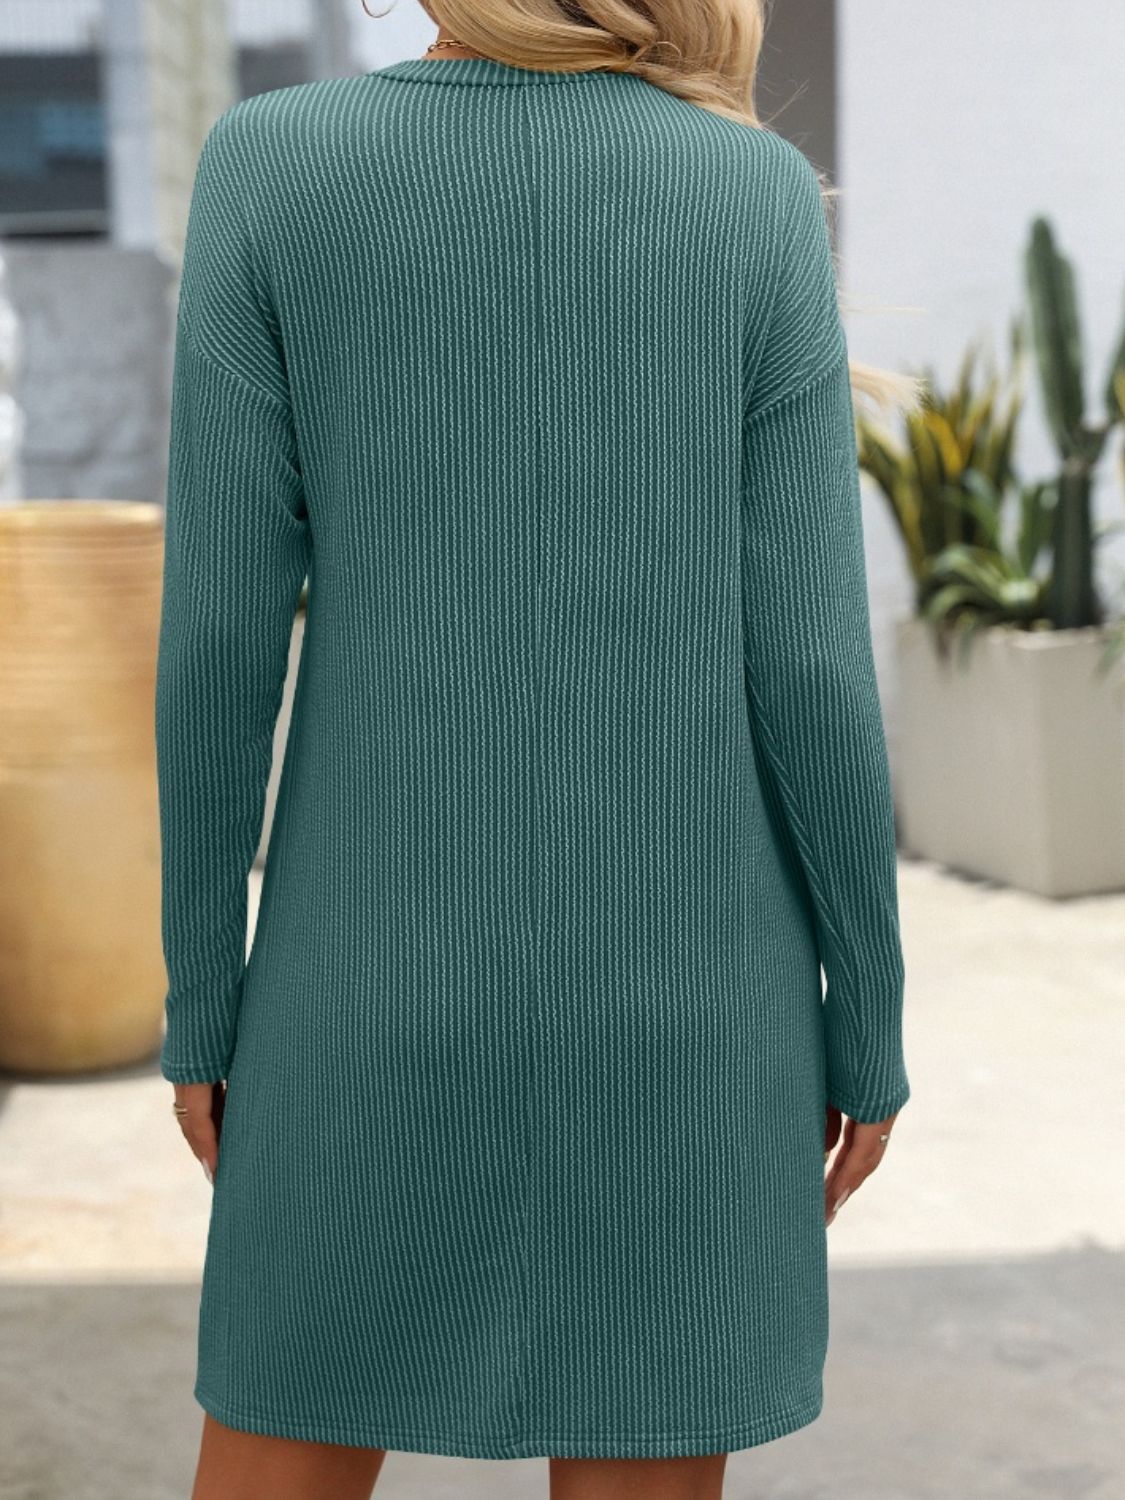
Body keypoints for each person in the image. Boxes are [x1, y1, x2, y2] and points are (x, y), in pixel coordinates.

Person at [158, 3, 913, 1497]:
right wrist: (868, 1017)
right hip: (688, 1004)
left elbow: (218, 643)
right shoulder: (748, 190)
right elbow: (812, 668)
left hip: (358, 993)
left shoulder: (270, 165)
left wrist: (204, 999)